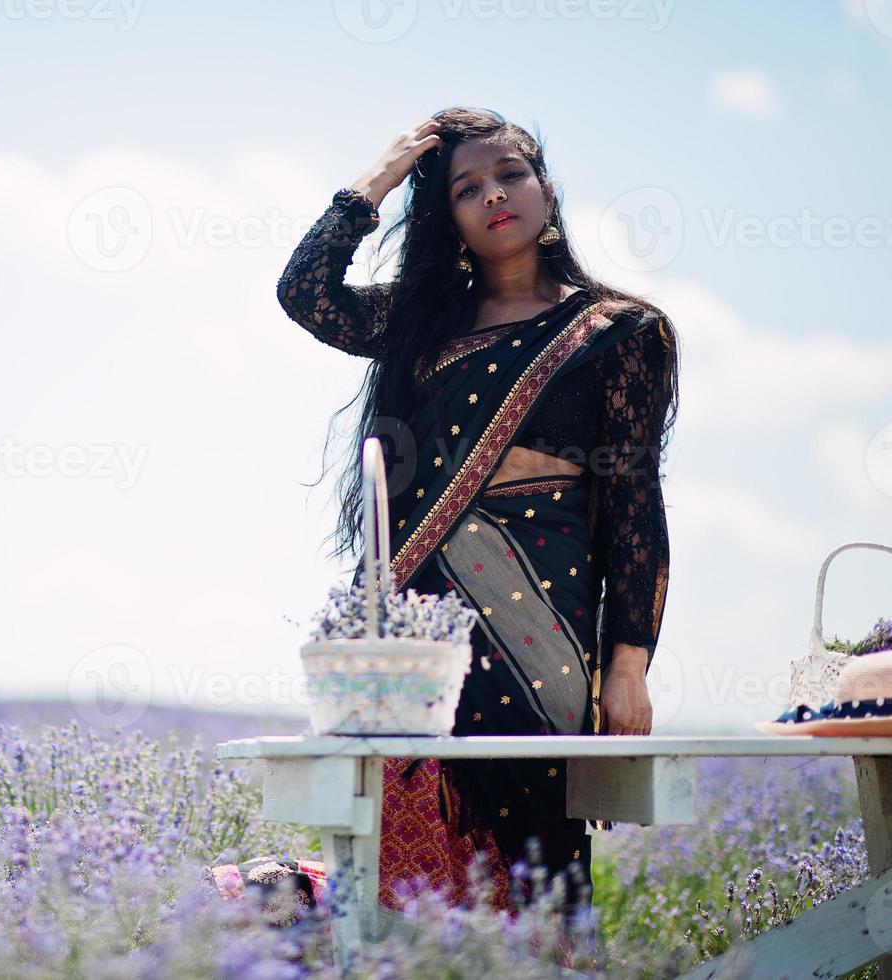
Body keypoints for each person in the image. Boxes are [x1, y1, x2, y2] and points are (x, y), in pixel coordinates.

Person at [212, 107, 680, 949]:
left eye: (510, 174)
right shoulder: (424, 322)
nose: (494, 195)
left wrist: (629, 665)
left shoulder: (617, 333)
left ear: (545, 188)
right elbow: (304, 293)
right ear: (446, 217)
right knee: (394, 837)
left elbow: (634, 505)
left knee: (534, 851)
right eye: (466, 189)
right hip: (416, 633)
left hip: (542, 627)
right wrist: (377, 180)